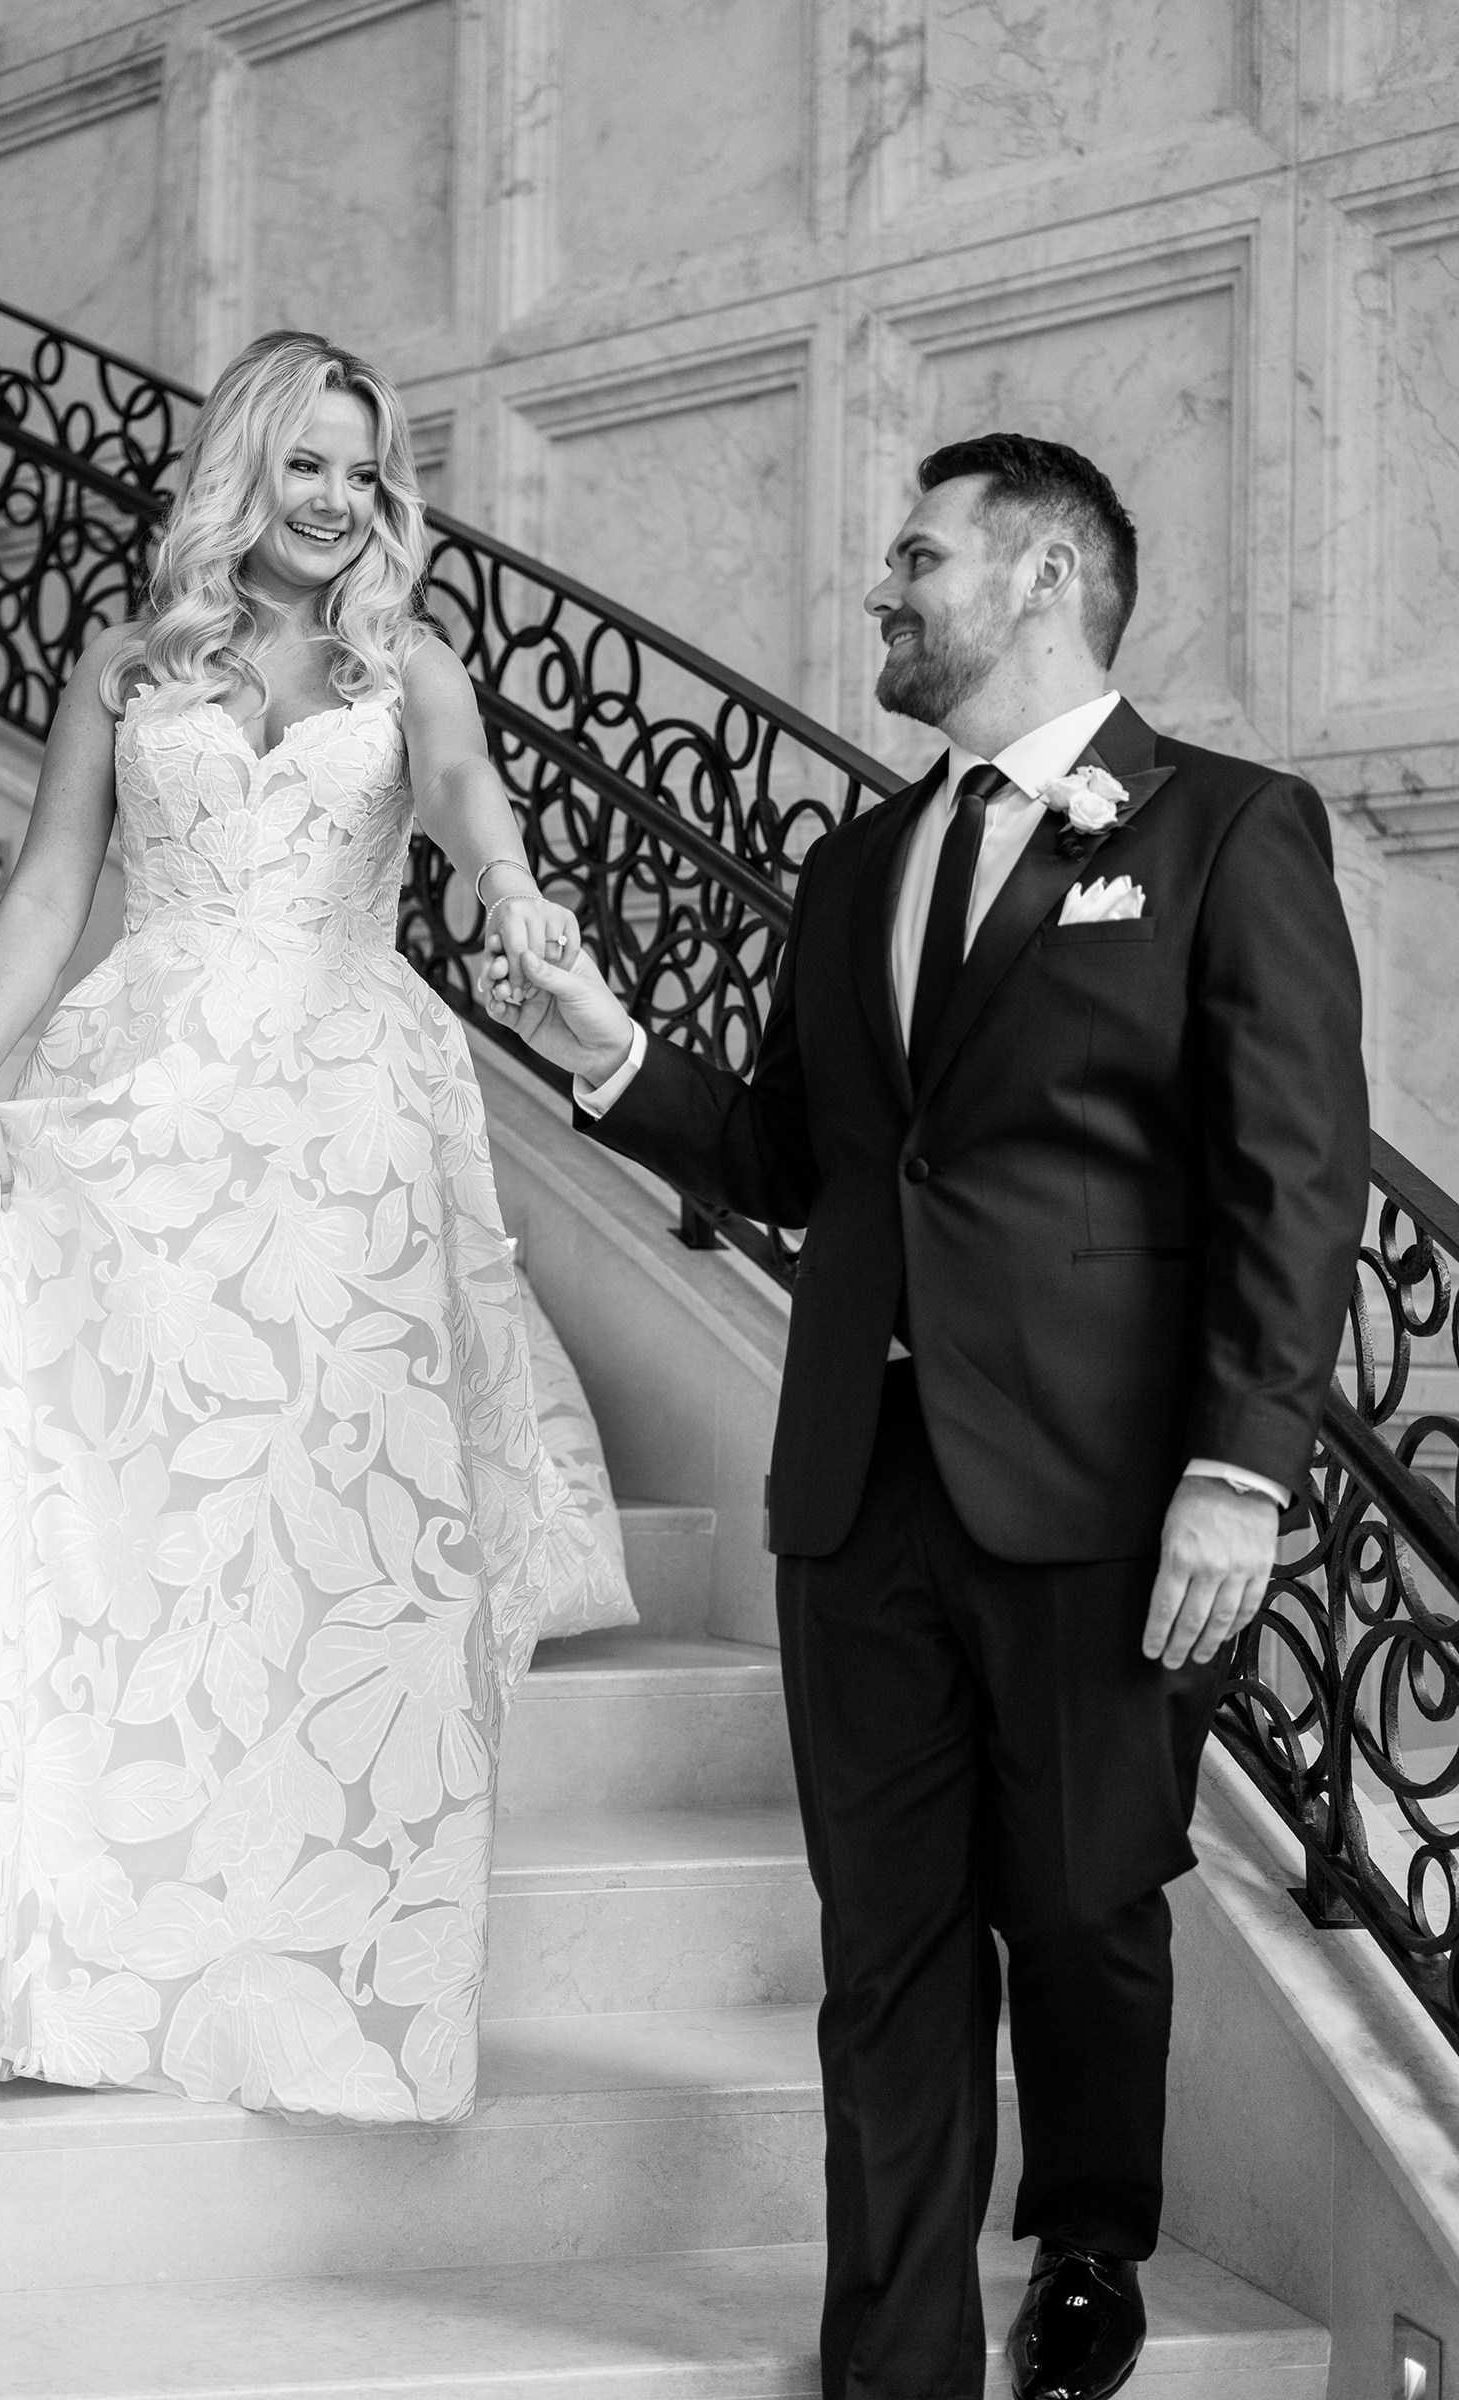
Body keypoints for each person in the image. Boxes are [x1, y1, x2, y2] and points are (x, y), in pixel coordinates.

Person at [483, 433, 1370, 2398]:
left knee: (1081, 1903)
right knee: (884, 1943)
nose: (882, 590)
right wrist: (607, 1051)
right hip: (854, 1488)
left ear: (1047, 577)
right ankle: (891, 2353)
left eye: (919, 556)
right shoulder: (854, 864)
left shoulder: (1226, 829)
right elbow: (799, 1153)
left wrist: (1242, 1468)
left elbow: (1292, 1177)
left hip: (1106, 1488)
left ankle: (1086, 2252)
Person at [0, 329, 600, 2126]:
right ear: (244, 472)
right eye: (307, 465)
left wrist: (518, 902)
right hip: (137, 1091)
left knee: (314, 1519)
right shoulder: (131, 663)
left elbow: (480, 815)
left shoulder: (408, 668)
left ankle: (292, 1938)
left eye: (363, 470)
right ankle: (79, 1916)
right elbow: (52, 883)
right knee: (123, 1510)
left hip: (335, 1119)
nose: (338, 501)